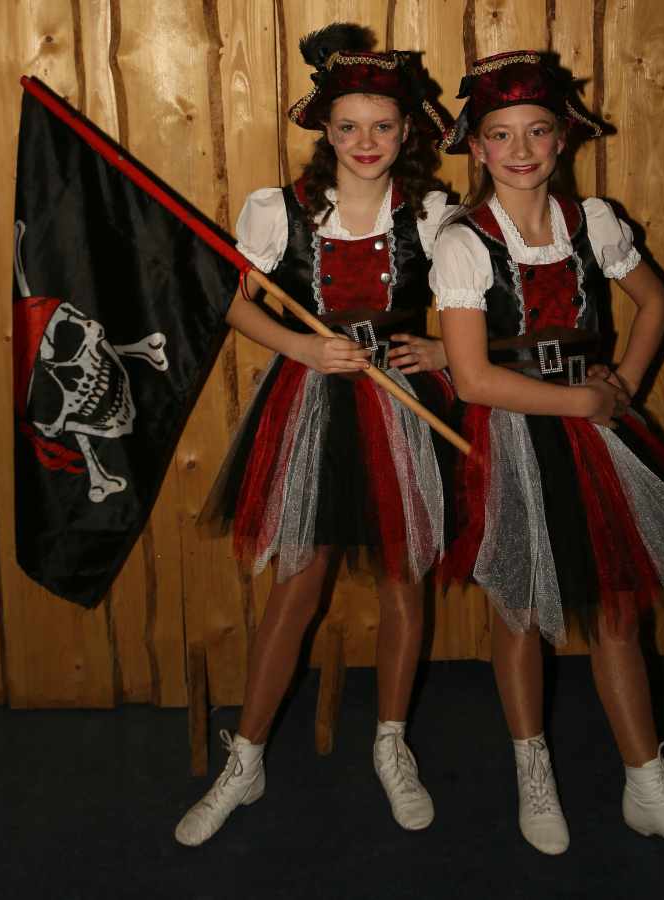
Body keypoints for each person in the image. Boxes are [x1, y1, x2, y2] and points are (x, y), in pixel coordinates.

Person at [432, 51, 664, 879]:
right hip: (512, 433)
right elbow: (472, 378)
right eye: (500, 135)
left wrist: (622, 386)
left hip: (593, 433)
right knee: (519, 607)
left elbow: (656, 301)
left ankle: (647, 786)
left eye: (536, 131)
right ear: (476, 147)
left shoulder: (590, 221)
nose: (520, 149)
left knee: (615, 609)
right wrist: (584, 403)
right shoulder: (462, 242)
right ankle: (532, 770)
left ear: (561, 138)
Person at [175, 24, 456, 846]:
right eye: (348, 126)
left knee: (404, 580)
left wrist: (444, 350)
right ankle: (246, 758)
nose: (365, 141)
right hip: (309, 404)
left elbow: (480, 303)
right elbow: (227, 297)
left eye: (382, 126)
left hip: (403, 406)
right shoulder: (280, 210)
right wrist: (299, 346)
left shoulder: (433, 214)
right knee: (296, 583)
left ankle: (391, 744)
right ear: (323, 131)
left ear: (407, 131)